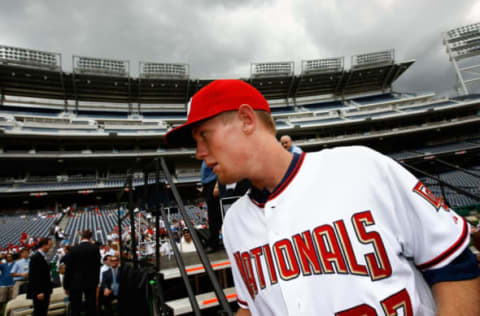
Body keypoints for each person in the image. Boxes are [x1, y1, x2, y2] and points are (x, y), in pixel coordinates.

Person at [165, 79, 480, 316]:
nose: (198, 153)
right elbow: (252, 308)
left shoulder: (360, 166)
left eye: (204, 135)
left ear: (247, 120)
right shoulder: (234, 223)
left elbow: (455, 267)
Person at [63, 230, 101, 316]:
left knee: (76, 308)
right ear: (90, 237)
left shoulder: (73, 249)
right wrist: (96, 281)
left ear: (81, 237)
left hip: (75, 283)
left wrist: (66, 285)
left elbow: (68, 269)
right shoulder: (95, 248)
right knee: (91, 307)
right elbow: (97, 266)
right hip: (91, 282)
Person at [27, 238, 53, 316]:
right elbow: (34, 276)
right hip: (40, 291)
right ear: (44, 245)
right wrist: (39, 291)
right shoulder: (36, 257)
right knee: (39, 311)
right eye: (49, 245)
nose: (50, 247)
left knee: (43, 311)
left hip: (45, 289)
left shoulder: (43, 256)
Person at [201, 160, 222, 253]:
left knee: (214, 216)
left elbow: (221, 168)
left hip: (213, 184)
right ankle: (213, 241)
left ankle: (213, 244)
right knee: (213, 215)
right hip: (208, 185)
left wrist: (217, 186)